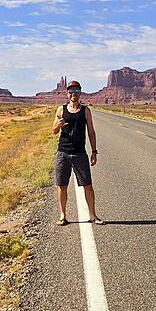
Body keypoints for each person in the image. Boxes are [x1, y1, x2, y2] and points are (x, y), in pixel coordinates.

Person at [51, 80, 105, 226]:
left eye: (76, 91)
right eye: (71, 92)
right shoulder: (61, 109)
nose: (73, 94)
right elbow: (53, 131)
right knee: (61, 185)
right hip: (63, 153)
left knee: (87, 185)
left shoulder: (85, 111)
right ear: (67, 94)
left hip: (80, 153)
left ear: (80, 93)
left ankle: (93, 216)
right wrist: (59, 124)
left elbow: (91, 132)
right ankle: (63, 216)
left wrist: (94, 151)